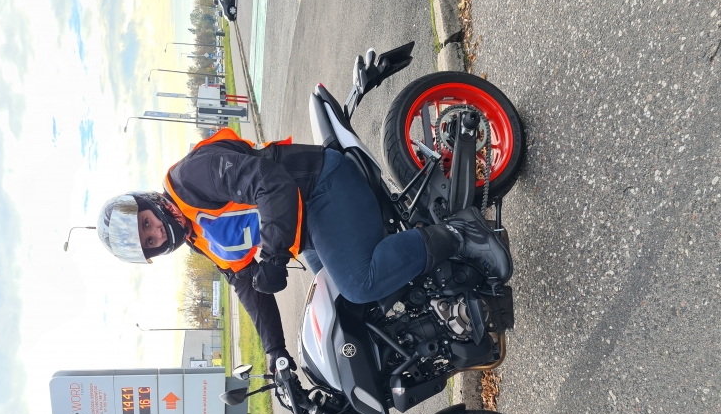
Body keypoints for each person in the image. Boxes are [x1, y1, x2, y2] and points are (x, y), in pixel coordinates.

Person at [97, 128, 511, 373]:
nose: (156, 232)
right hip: (310, 228)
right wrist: (275, 353)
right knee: (342, 312)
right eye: (150, 242)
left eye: (146, 223)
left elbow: (270, 183)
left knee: (359, 283)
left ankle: (459, 233)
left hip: (321, 185)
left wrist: (275, 257)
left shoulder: (191, 180)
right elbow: (247, 285)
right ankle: (449, 298)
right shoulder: (197, 239)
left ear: (147, 202)